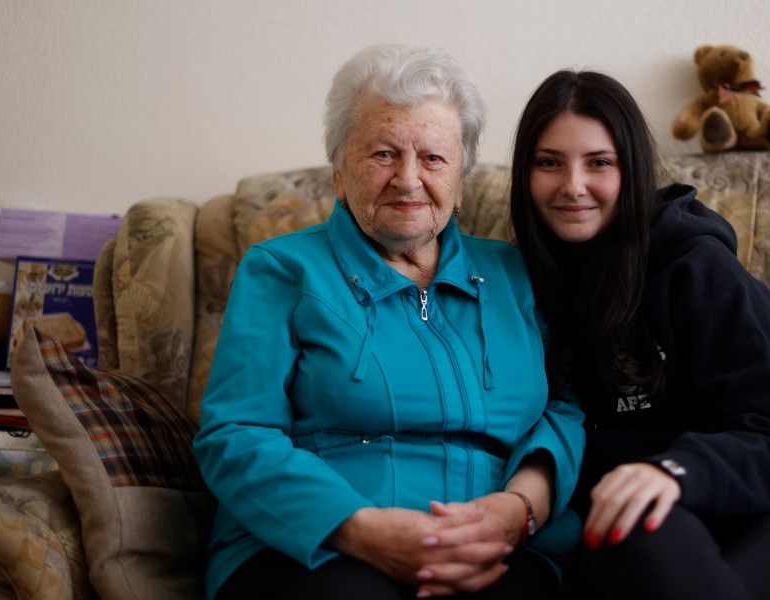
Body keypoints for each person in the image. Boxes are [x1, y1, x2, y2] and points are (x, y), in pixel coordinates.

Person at [193, 45, 585, 600]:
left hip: (498, 546)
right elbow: (237, 432)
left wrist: (520, 507)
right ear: (337, 171)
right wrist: (362, 530)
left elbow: (564, 406)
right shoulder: (281, 270)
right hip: (314, 548)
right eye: (382, 153)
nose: (407, 179)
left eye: (433, 158)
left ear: (461, 177)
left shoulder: (514, 274)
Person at [509, 69, 770, 600]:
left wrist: (673, 471)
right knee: (636, 532)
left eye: (600, 162)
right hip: (650, 526)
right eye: (549, 162)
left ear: (633, 170)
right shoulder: (517, 288)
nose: (573, 185)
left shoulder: (697, 267)